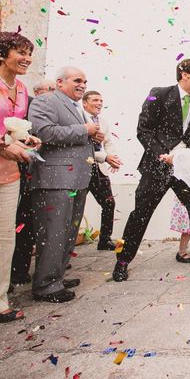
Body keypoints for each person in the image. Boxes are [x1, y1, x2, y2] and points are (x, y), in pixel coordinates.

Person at [112, 58, 190, 291]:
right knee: (140, 216)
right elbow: (143, 131)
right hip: (156, 168)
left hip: (186, 170)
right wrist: (163, 154)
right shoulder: (158, 94)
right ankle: (122, 261)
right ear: (184, 74)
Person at [28, 66, 99, 303]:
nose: (82, 84)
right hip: (55, 179)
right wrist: (84, 130)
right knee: (53, 233)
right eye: (77, 80)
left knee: (68, 231)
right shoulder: (45, 101)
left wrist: (91, 136)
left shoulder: (74, 106)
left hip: (76, 179)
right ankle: (46, 285)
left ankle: (56, 275)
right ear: (60, 82)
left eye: (85, 81)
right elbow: (44, 133)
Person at [0, 31, 38, 322]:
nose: (27, 59)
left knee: (5, 237)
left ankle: (1, 299)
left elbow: (16, 128)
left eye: (29, 54)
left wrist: (27, 140)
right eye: (20, 53)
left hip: (9, 173)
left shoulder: (23, 89)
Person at [11, 79, 55, 286]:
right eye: (50, 90)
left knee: (25, 222)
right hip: (13, 166)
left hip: (30, 172)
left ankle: (19, 270)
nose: (54, 94)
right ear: (38, 92)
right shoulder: (27, 106)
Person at [82, 90, 122, 250]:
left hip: (99, 169)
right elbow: (86, 148)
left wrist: (113, 157)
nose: (99, 103)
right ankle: (66, 245)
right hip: (82, 168)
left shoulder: (103, 121)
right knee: (76, 207)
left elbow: (108, 142)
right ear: (84, 103)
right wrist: (105, 157)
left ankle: (105, 239)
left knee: (109, 203)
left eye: (101, 100)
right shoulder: (80, 119)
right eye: (95, 100)